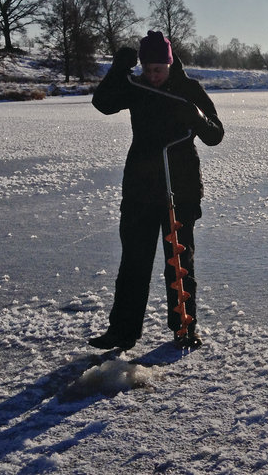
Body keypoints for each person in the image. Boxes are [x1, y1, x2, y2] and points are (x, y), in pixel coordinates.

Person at [88, 30, 224, 350]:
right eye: (147, 70)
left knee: (178, 262)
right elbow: (102, 102)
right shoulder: (135, 88)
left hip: (181, 190)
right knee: (134, 262)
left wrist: (199, 117)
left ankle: (185, 329)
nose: (152, 76)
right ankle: (122, 331)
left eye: (158, 70)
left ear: (169, 62)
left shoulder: (189, 90)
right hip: (139, 189)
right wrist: (118, 68)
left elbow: (215, 134)